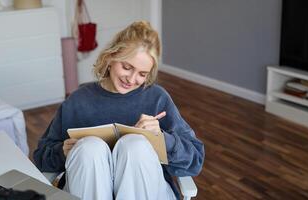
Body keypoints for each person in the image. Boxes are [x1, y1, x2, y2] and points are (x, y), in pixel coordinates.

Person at [33, 21, 204, 200]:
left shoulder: (156, 97)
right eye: (127, 67)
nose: (131, 79)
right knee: (89, 148)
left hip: (146, 190)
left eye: (142, 74)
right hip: (86, 190)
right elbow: (41, 158)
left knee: (135, 145)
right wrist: (62, 151)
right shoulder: (78, 100)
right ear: (110, 58)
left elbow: (195, 161)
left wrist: (163, 140)